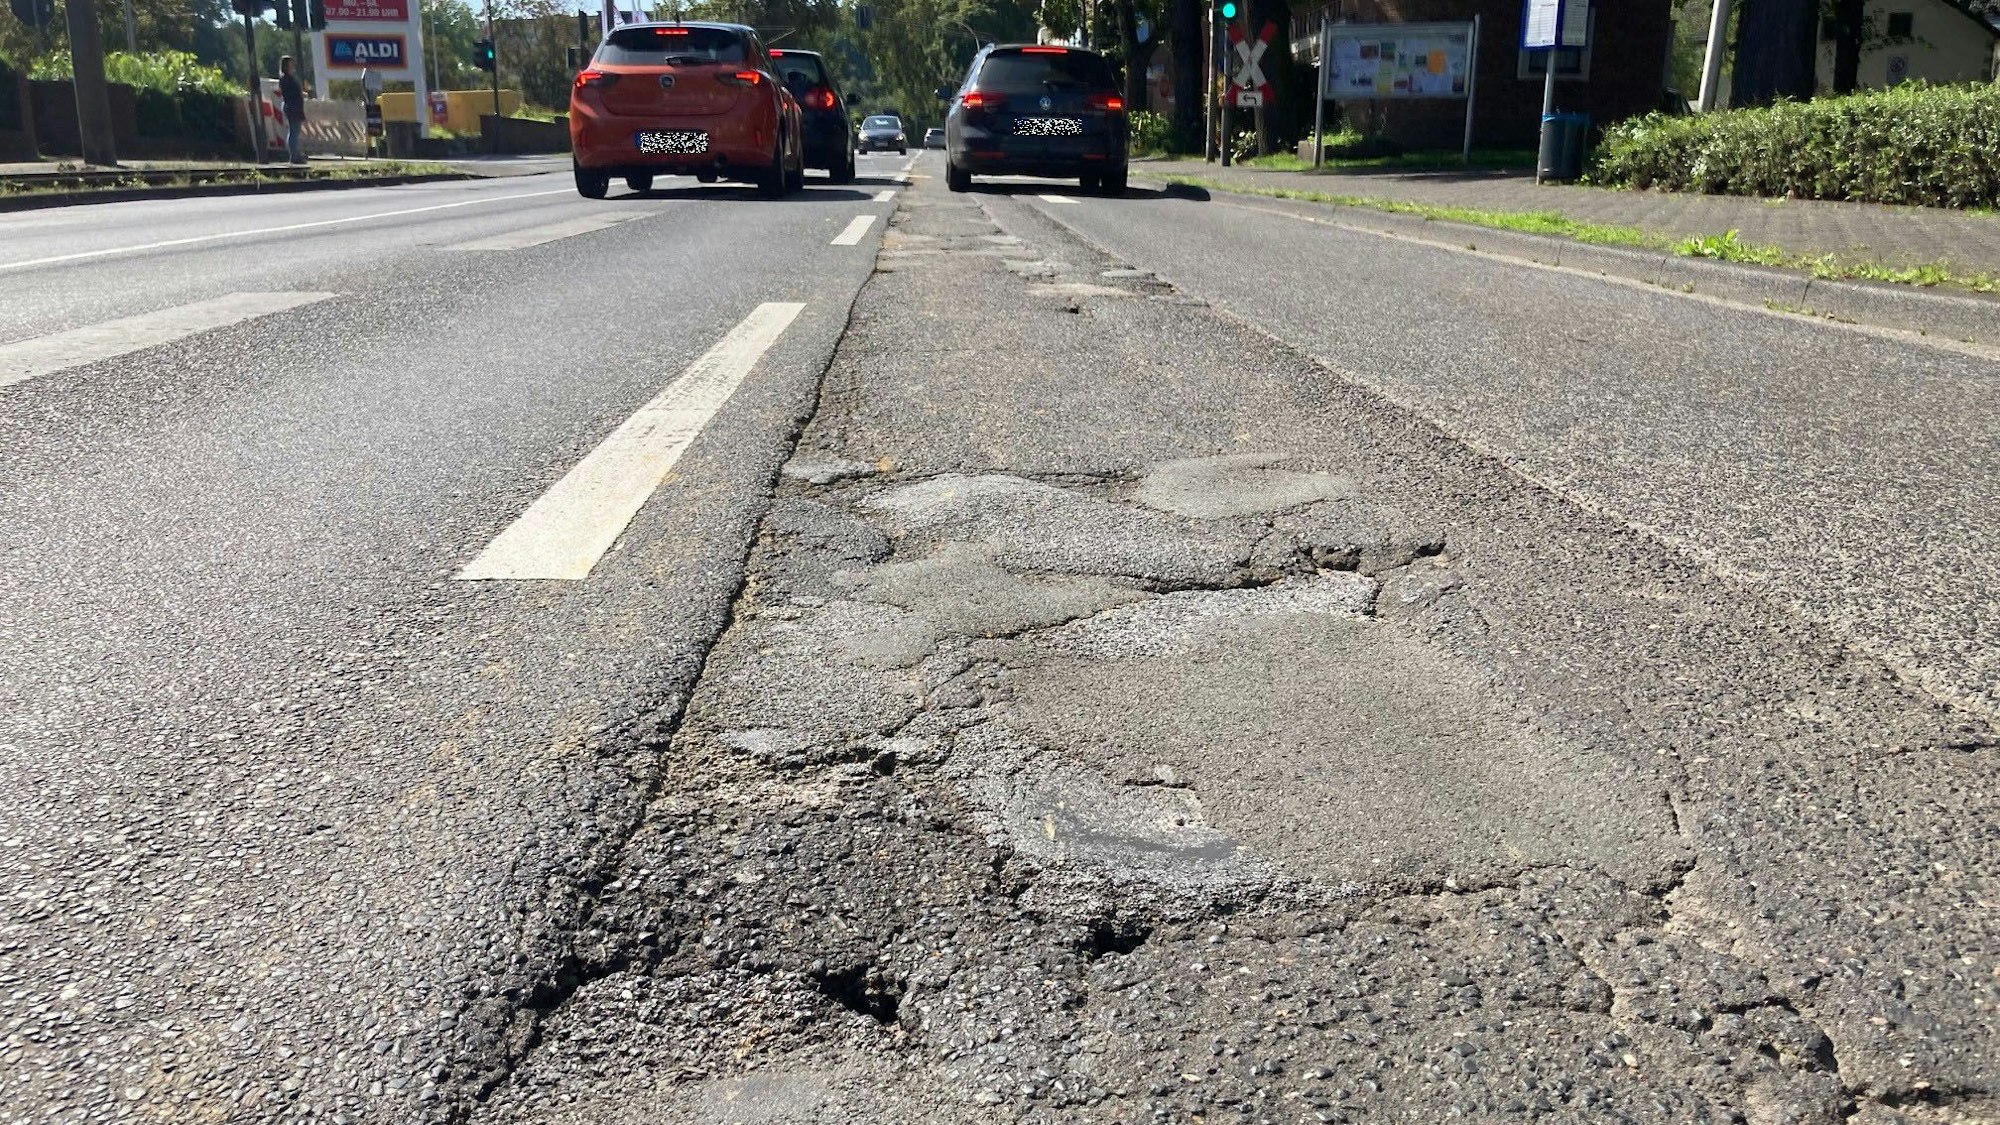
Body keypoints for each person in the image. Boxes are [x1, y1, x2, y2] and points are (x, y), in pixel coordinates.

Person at [278, 56, 306, 165]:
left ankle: (295, 154)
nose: (292, 66)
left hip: (294, 106)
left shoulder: (288, 78)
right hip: (292, 106)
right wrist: (299, 94)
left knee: (295, 131)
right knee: (294, 131)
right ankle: (294, 156)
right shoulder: (286, 79)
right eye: (290, 64)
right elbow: (289, 93)